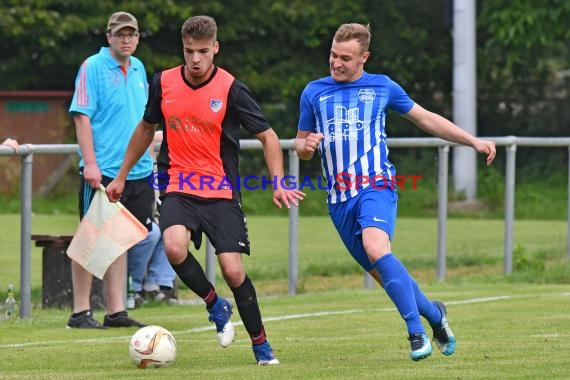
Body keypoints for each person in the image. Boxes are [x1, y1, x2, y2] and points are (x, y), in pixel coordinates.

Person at [106, 15, 304, 365]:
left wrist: (278, 182)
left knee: (233, 271)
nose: (195, 60)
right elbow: (144, 129)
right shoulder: (163, 82)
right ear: (182, 49)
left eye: (202, 52)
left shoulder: (231, 89)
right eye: (188, 52)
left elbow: (268, 136)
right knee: (173, 246)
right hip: (178, 185)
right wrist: (121, 175)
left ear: (215, 48)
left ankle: (261, 345)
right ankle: (215, 304)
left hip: (221, 191)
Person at [294, 23, 496, 361]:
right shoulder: (313, 92)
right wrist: (307, 146)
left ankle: (416, 333)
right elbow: (301, 146)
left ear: (364, 58)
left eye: (345, 58)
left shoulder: (382, 86)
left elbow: (426, 119)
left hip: (377, 186)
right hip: (338, 200)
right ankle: (436, 315)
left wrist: (472, 140)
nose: (336, 63)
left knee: (376, 247)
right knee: (384, 271)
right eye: (333, 55)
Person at [67, 11, 153, 329]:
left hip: (138, 169)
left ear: (138, 38)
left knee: (119, 239)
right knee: (90, 239)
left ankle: (116, 311)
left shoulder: (140, 68)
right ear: (109, 37)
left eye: (131, 34)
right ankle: (79, 312)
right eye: (120, 34)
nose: (126, 39)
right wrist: (90, 163)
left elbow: (141, 119)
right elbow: (81, 116)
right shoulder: (92, 67)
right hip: (103, 169)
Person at [127, 131, 177, 307]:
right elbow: (145, 133)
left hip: (146, 190)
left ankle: (157, 284)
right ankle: (133, 286)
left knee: (173, 228)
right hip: (128, 189)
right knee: (151, 233)